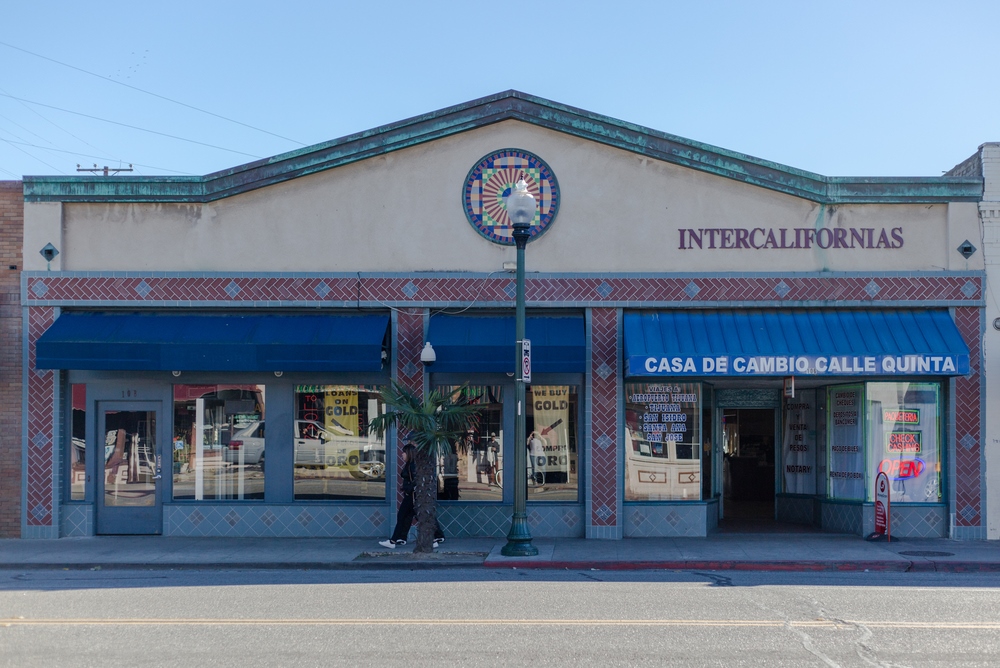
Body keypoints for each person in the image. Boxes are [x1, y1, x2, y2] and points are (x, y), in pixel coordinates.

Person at [379, 443, 444, 549]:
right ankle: (400, 538)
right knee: (408, 517)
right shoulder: (410, 464)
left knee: (408, 516)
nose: (402, 455)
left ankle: (394, 540)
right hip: (410, 495)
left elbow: (417, 480)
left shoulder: (412, 465)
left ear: (408, 453)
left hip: (412, 496)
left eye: (403, 453)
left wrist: (409, 488)